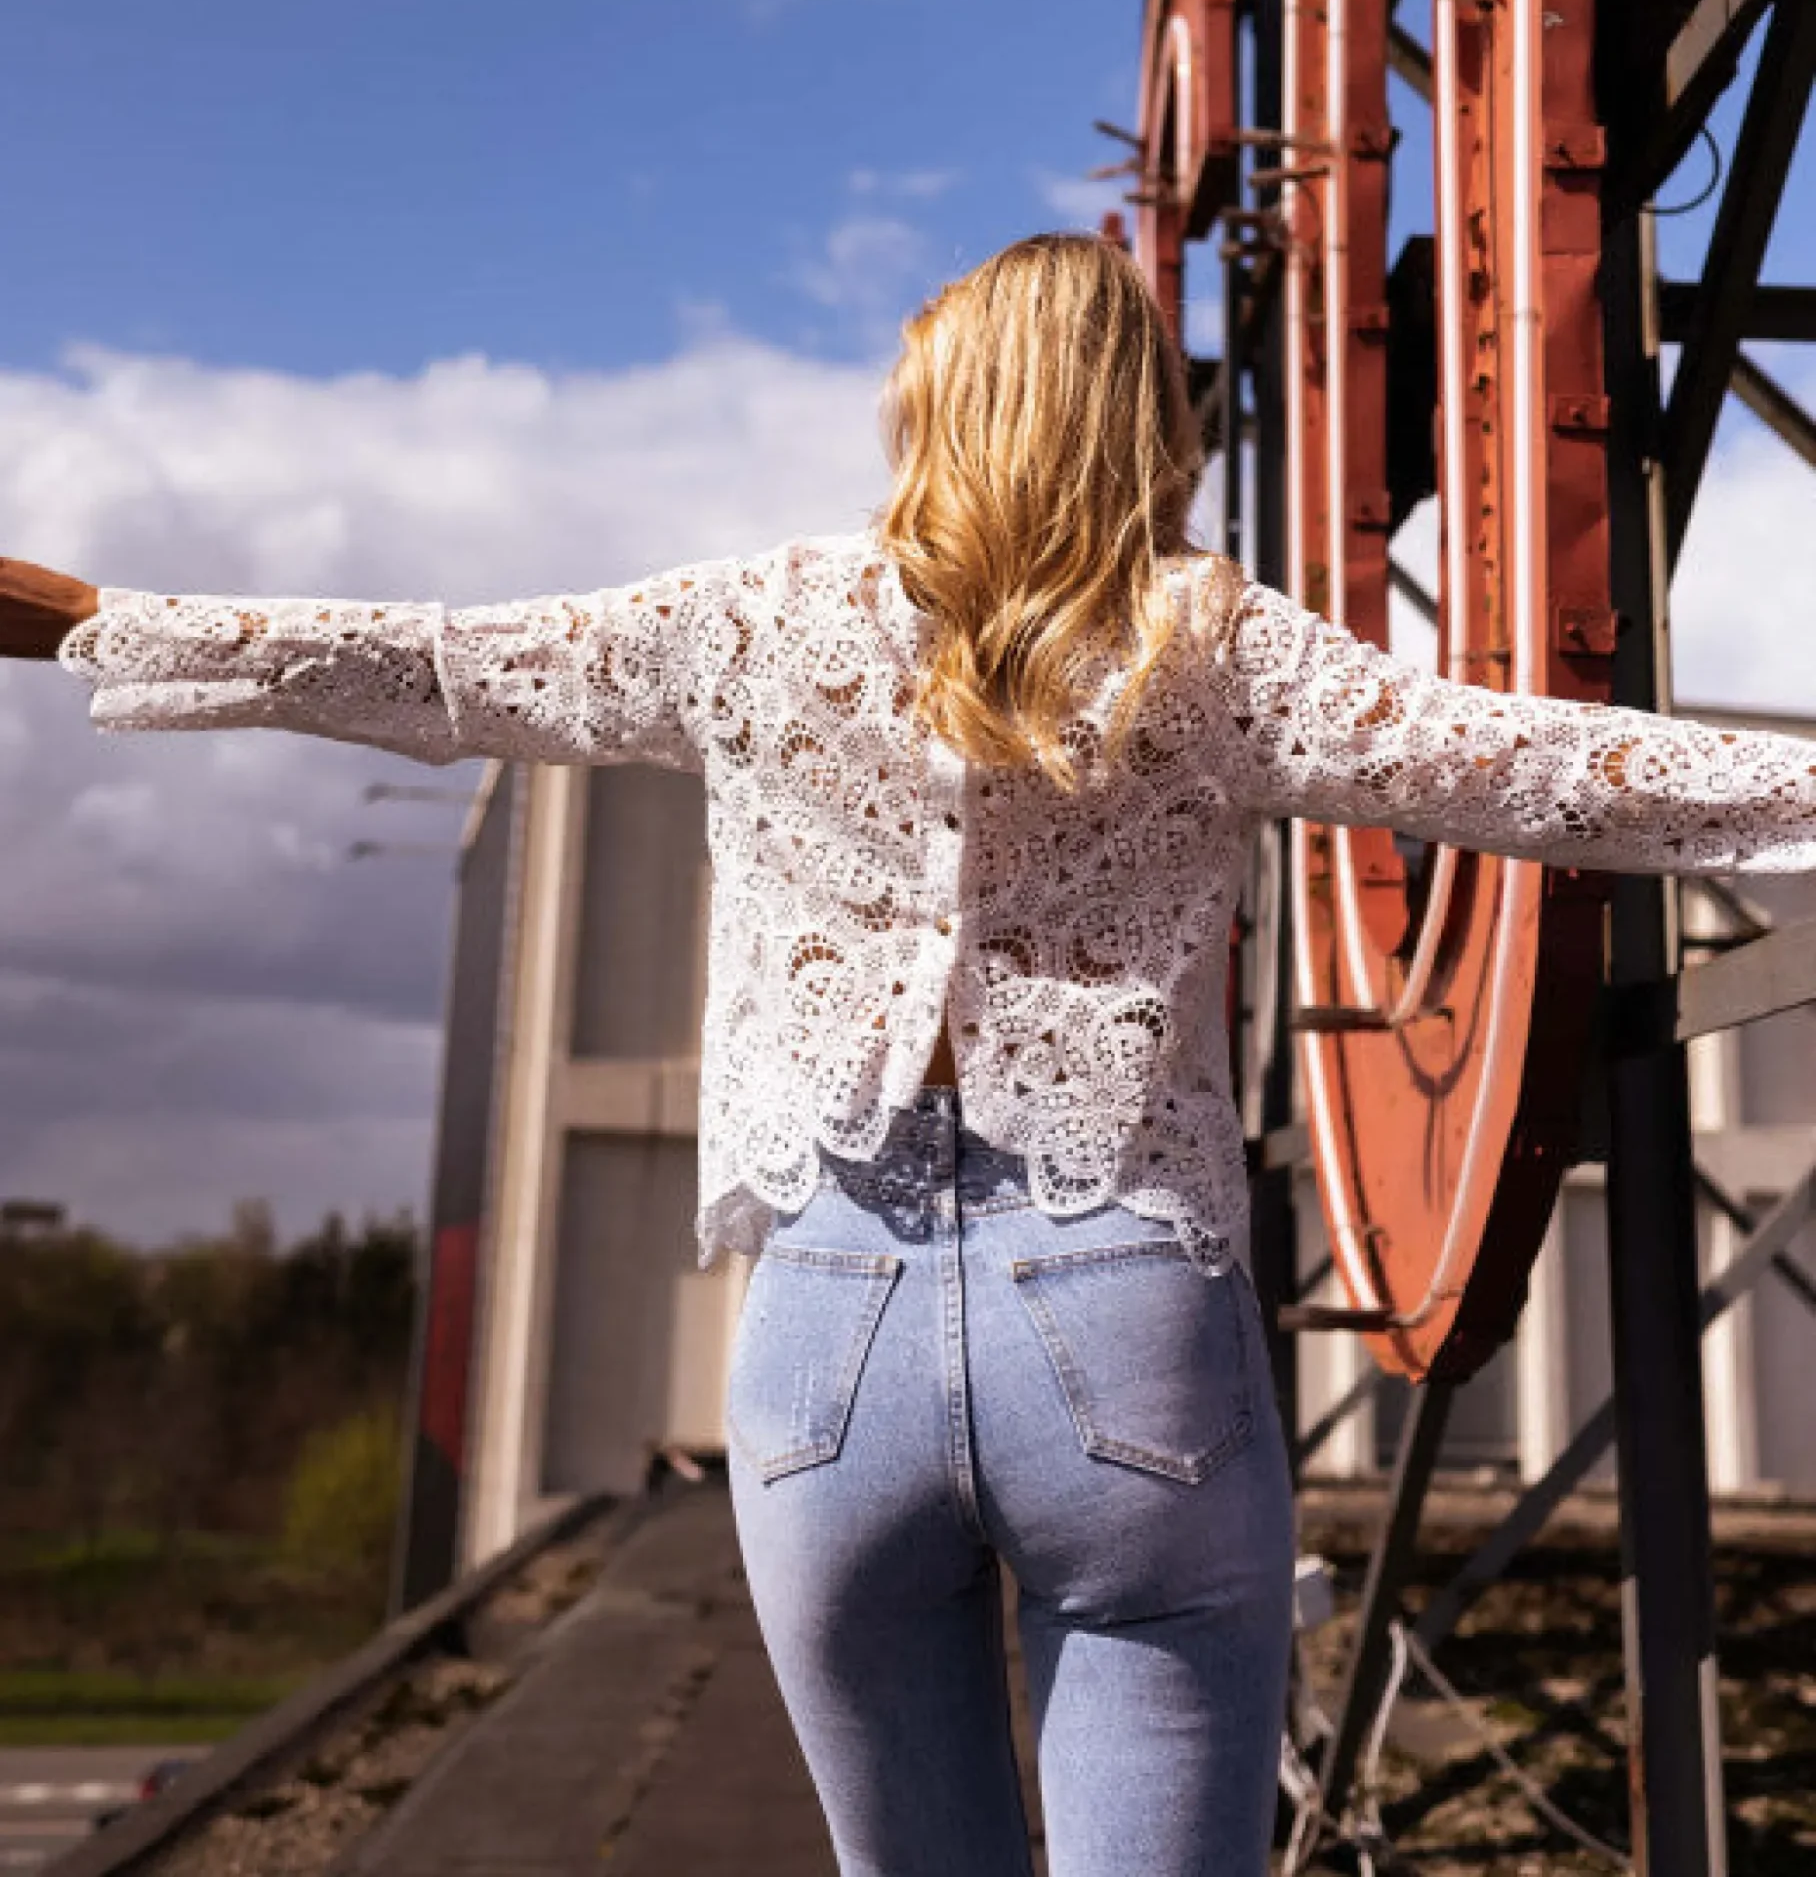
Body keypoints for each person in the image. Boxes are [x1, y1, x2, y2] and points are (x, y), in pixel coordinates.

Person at [8, 228, 1816, 1877]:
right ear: (1131, 418)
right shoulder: (1209, 640)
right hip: (1123, 1324)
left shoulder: (754, 621)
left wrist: (97, 616)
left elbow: (441, 666)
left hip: (827, 1339)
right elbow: (1518, 766)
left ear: (935, 404)